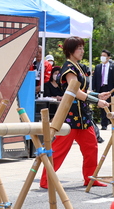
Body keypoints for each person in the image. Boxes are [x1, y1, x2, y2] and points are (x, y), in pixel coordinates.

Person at [39, 36, 110, 189]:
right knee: (59, 149)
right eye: (79, 48)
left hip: (83, 116)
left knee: (92, 147)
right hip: (69, 115)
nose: (82, 51)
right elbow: (75, 91)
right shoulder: (68, 68)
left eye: (83, 48)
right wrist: (96, 101)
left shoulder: (79, 67)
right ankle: (46, 180)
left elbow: (84, 90)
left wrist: (97, 95)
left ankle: (90, 178)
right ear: (70, 50)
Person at [93, 49, 114, 130]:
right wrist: (94, 89)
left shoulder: (112, 67)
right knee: (102, 106)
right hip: (100, 88)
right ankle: (104, 124)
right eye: (102, 55)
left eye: (104, 56)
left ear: (108, 57)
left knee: (110, 105)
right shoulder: (98, 67)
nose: (102, 57)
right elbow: (95, 79)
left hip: (110, 88)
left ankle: (110, 121)